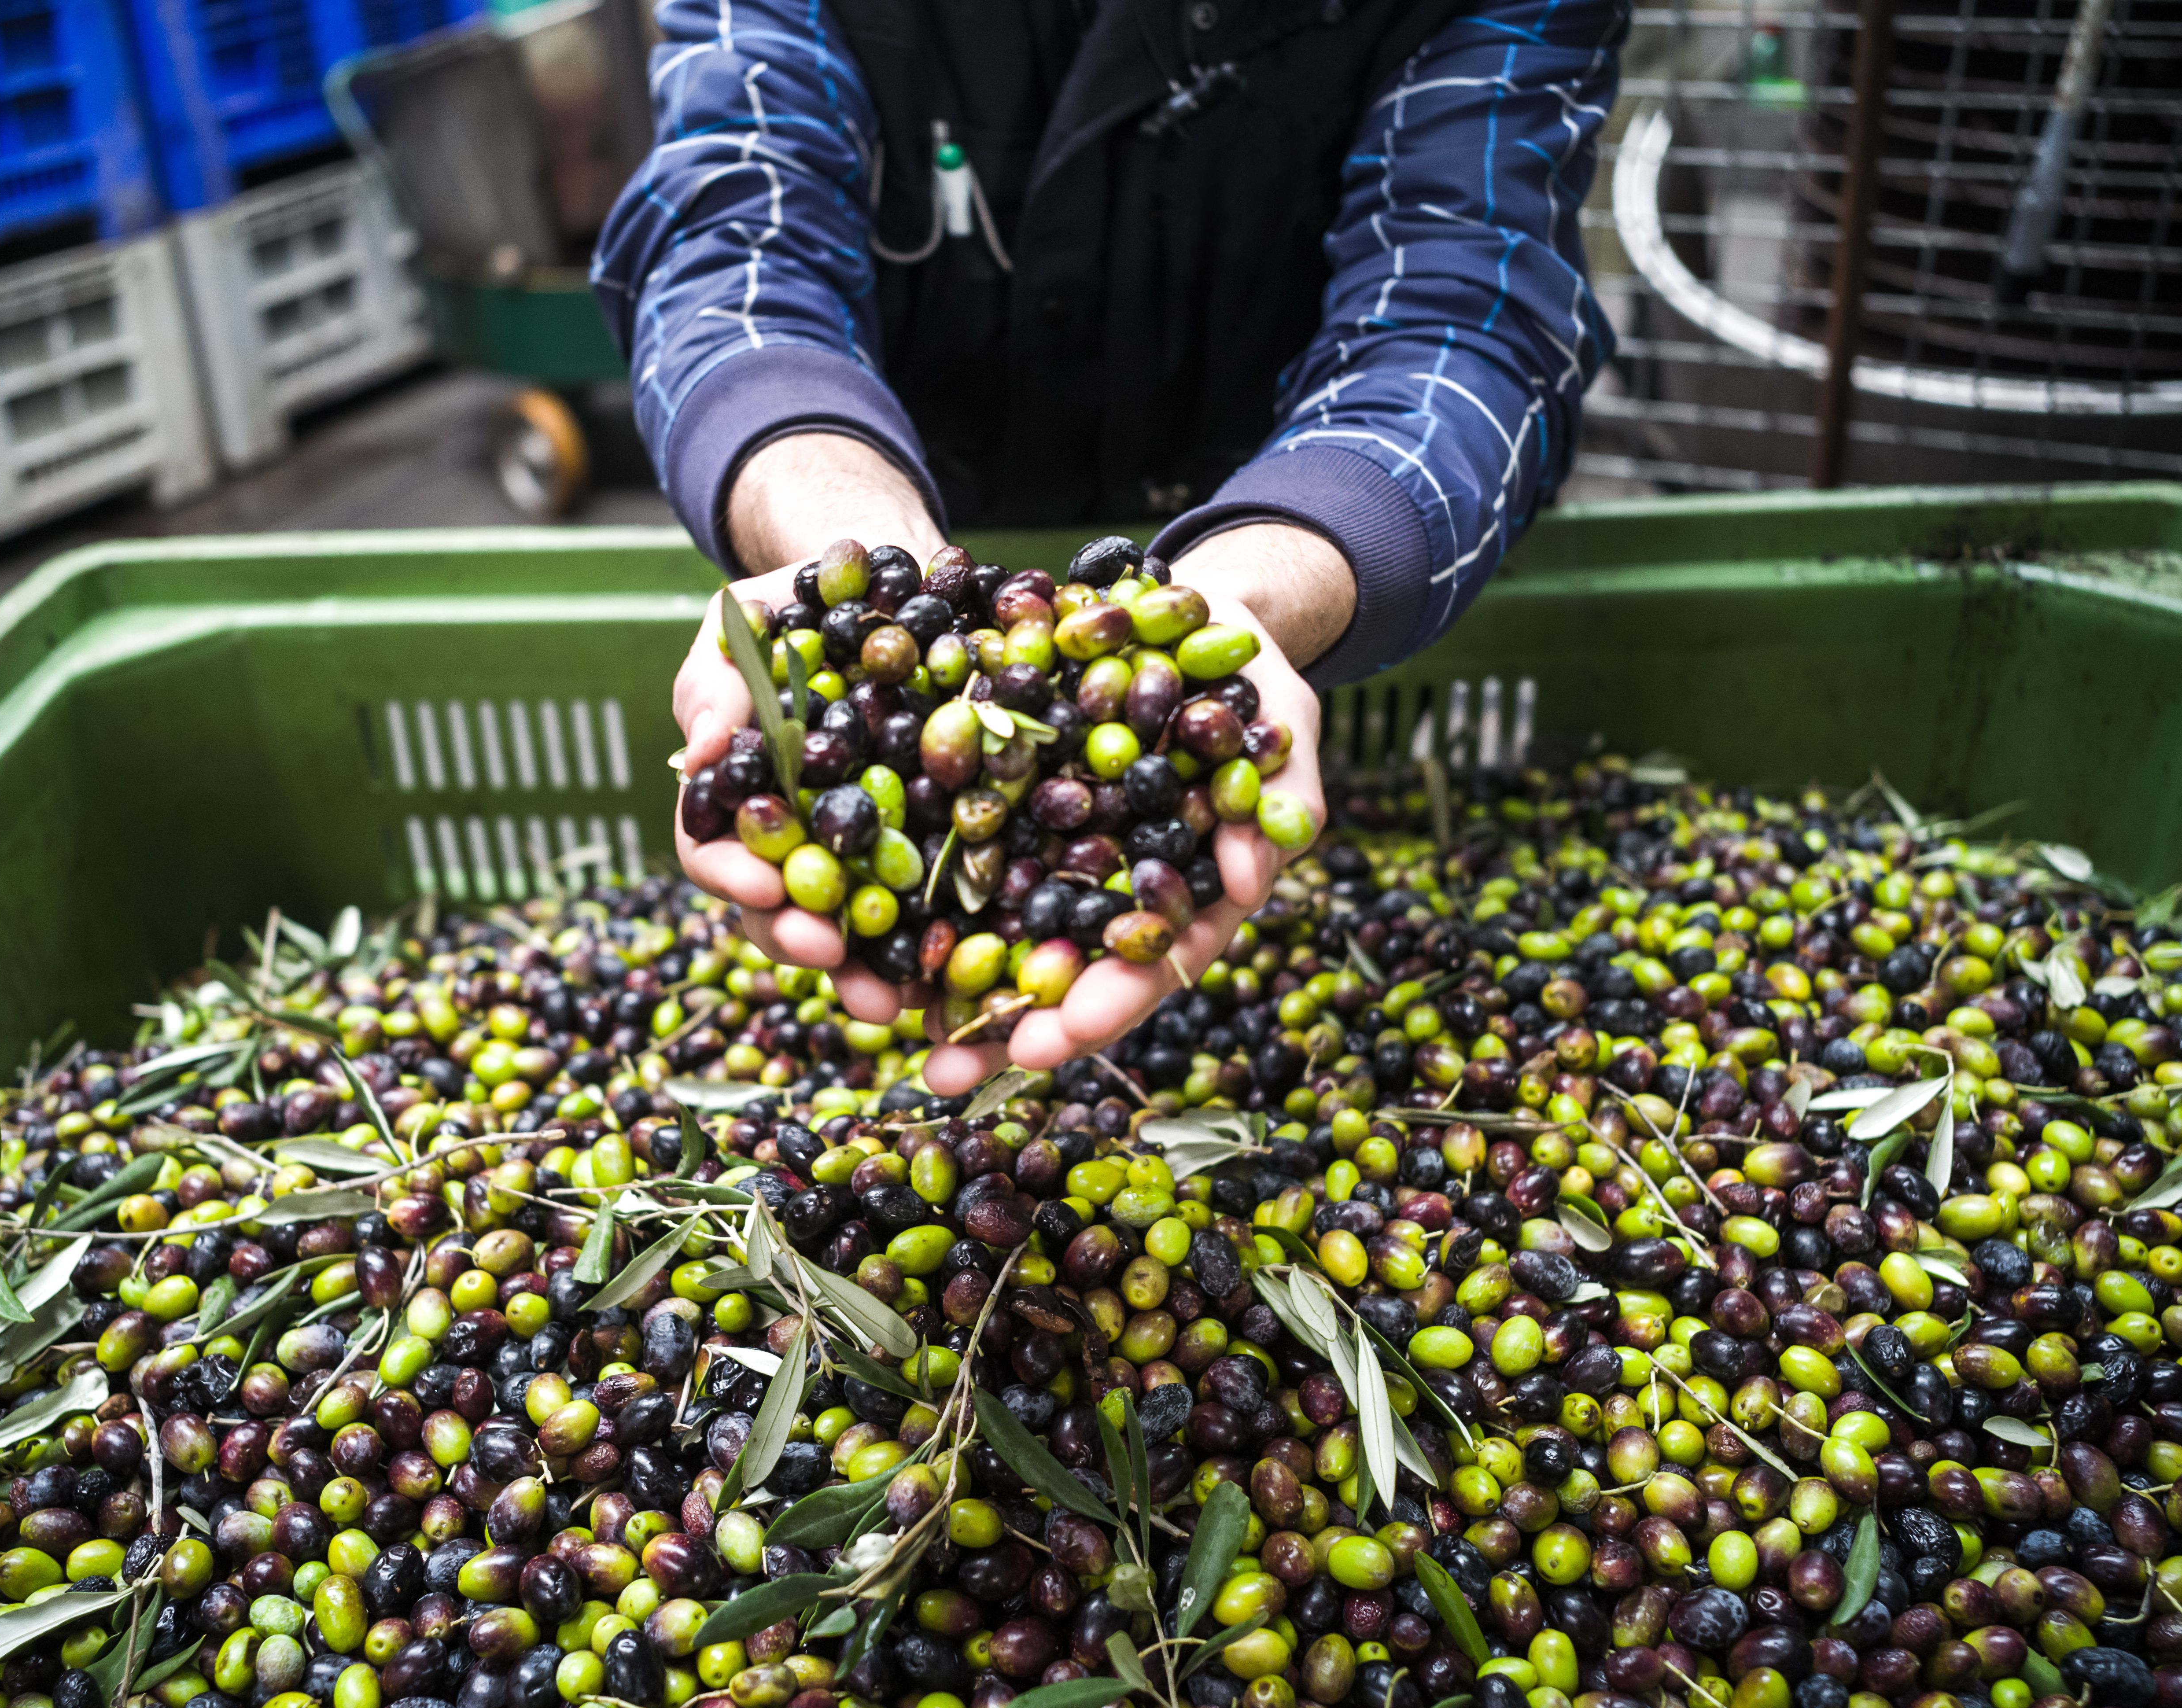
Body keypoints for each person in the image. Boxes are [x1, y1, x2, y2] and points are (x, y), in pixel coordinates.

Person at [594, 0, 1625, 1094]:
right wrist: (827, 510)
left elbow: (1468, 309)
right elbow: (733, 236)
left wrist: (1267, 580)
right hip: (924, 475)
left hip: (1306, 575)